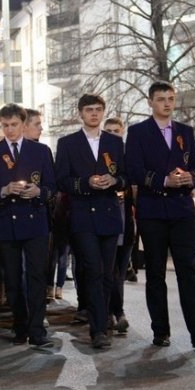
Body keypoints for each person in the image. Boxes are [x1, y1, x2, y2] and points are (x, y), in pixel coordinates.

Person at [125, 81, 195, 348]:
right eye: (161, 99)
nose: (167, 104)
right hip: (153, 211)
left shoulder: (185, 131)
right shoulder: (137, 133)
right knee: (156, 273)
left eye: (170, 98)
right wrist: (163, 181)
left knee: (188, 272)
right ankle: (161, 331)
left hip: (181, 210)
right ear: (150, 102)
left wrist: (188, 178)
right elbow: (133, 170)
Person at [54, 94, 126, 349]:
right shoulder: (68, 143)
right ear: (80, 114)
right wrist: (86, 183)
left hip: (108, 214)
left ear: (103, 112)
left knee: (107, 273)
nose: (94, 114)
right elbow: (60, 180)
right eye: (89, 110)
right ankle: (98, 330)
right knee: (93, 270)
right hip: (83, 215)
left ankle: (103, 319)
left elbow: (126, 174)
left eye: (98, 109)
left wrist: (115, 181)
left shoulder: (115, 142)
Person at [0, 103, 56, 348]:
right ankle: (19, 325)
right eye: (5, 125)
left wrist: (39, 191)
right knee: (12, 279)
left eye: (14, 125)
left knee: (36, 276)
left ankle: (37, 330)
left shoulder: (41, 151)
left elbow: (52, 187)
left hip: (35, 221)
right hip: (7, 222)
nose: (10, 130)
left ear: (23, 124)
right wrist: (3, 191)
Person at [103, 117, 133, 334]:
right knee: (108, 272)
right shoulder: (100, 155)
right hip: (104, 222)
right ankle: (110, 312)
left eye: (116, 130)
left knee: (118, 273)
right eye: (109, 131)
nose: (113, 134)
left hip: (126, 224)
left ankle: (117, 311)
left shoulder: (127, 157)